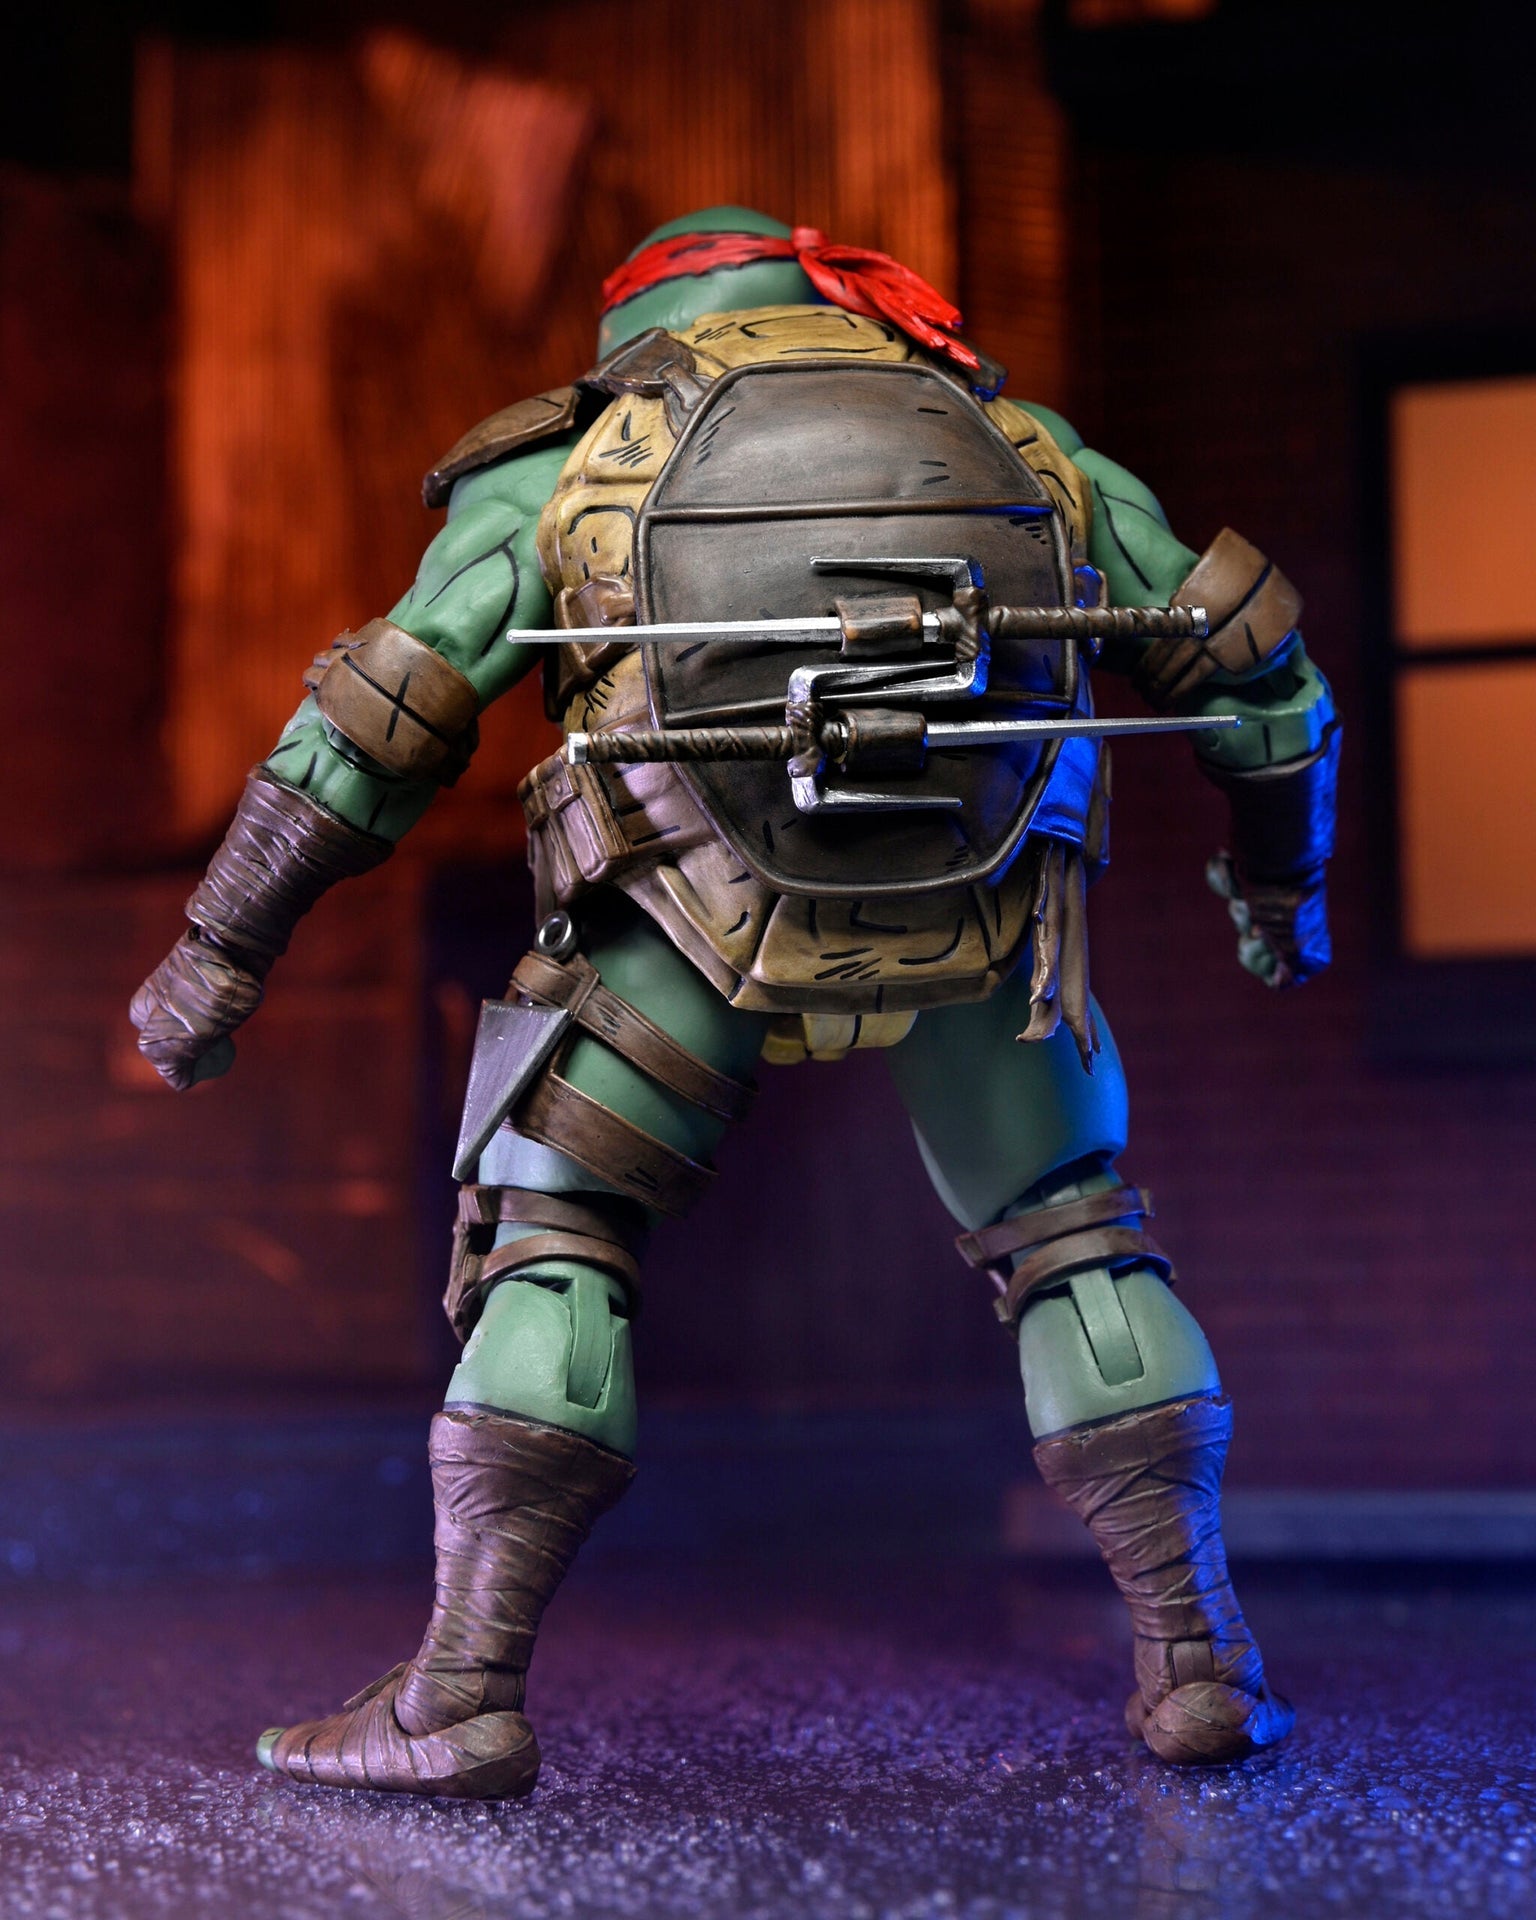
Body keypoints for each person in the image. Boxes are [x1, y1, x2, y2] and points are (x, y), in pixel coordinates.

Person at [131, 207, 1339, 1799]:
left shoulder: (575, 459)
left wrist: (217, 950)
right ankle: (1202, 1666)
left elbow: (377, 719)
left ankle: (462, 1696)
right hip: (985, 938)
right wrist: (1282, 890)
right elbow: (1270, 687)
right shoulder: (1029, 448)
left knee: (554, 1241)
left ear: (641, 311)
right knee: (1077, 1239)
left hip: (673, 934)